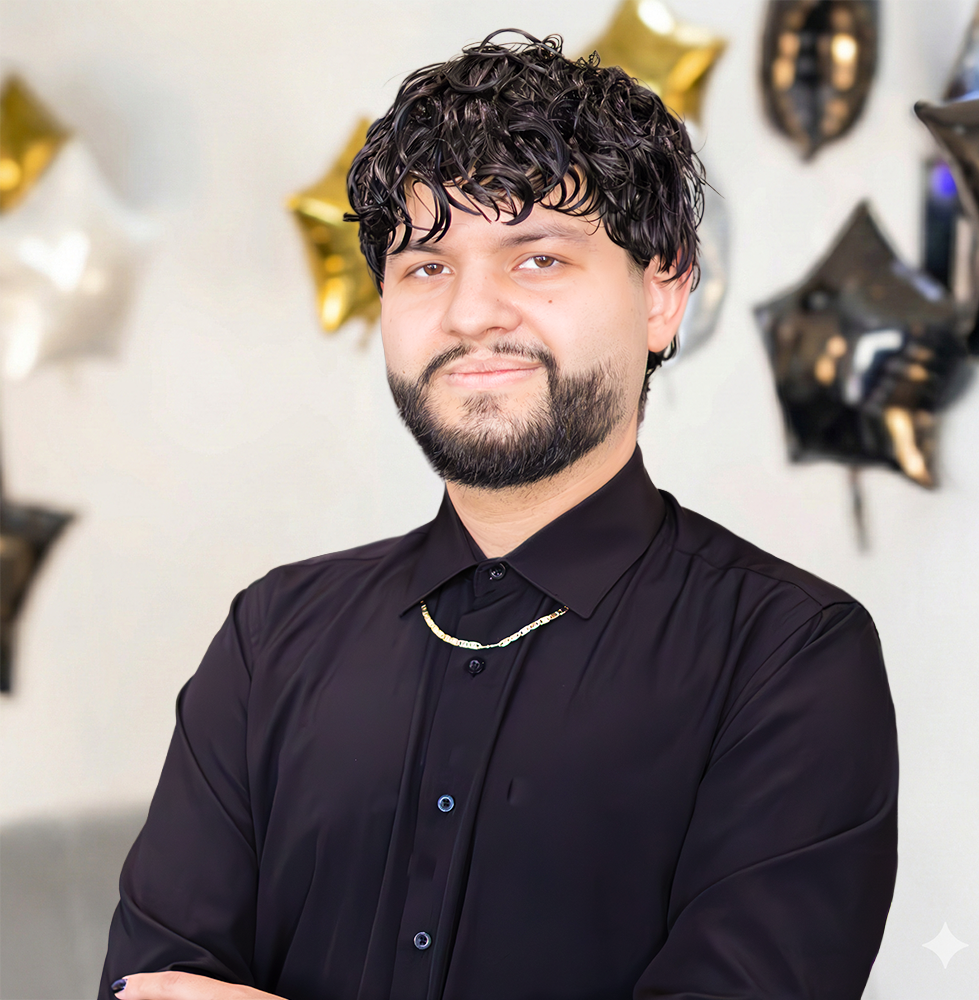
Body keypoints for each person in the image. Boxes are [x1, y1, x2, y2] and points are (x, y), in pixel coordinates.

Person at [101, 31, 897, 1000]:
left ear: (663, 291)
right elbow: (147, 985)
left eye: (537, 258)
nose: (472, 312)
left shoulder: (788, 655)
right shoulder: (274, 636)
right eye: (426, 266)